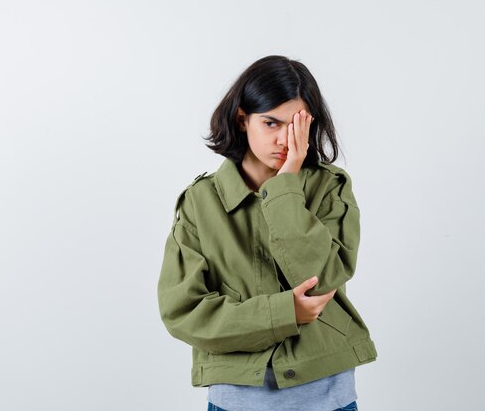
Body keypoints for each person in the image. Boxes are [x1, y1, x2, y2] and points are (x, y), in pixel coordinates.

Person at [157, 55, 378, 411]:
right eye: (271, 123)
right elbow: (183, 310)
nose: (284, 140)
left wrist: (286, 184)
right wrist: (284, 312)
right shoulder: (201, 202)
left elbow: (321, 278)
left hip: (327, 395)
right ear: (243, 120)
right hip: (237, 398)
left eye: (296, 125)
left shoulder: (329, 187)